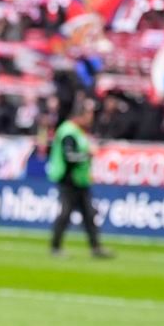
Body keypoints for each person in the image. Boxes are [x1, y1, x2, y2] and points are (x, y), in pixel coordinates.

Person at [47, 95, 113, 258]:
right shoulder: (68, 132)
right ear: (80, 115)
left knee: (89, 214)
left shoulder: (76, 131)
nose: (91, 119)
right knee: (66, 213)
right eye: (89, 115)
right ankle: (56, 247)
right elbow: (69, 157)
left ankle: (95, 248)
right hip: (69, 179)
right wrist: (87, 155)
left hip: (80, 180)